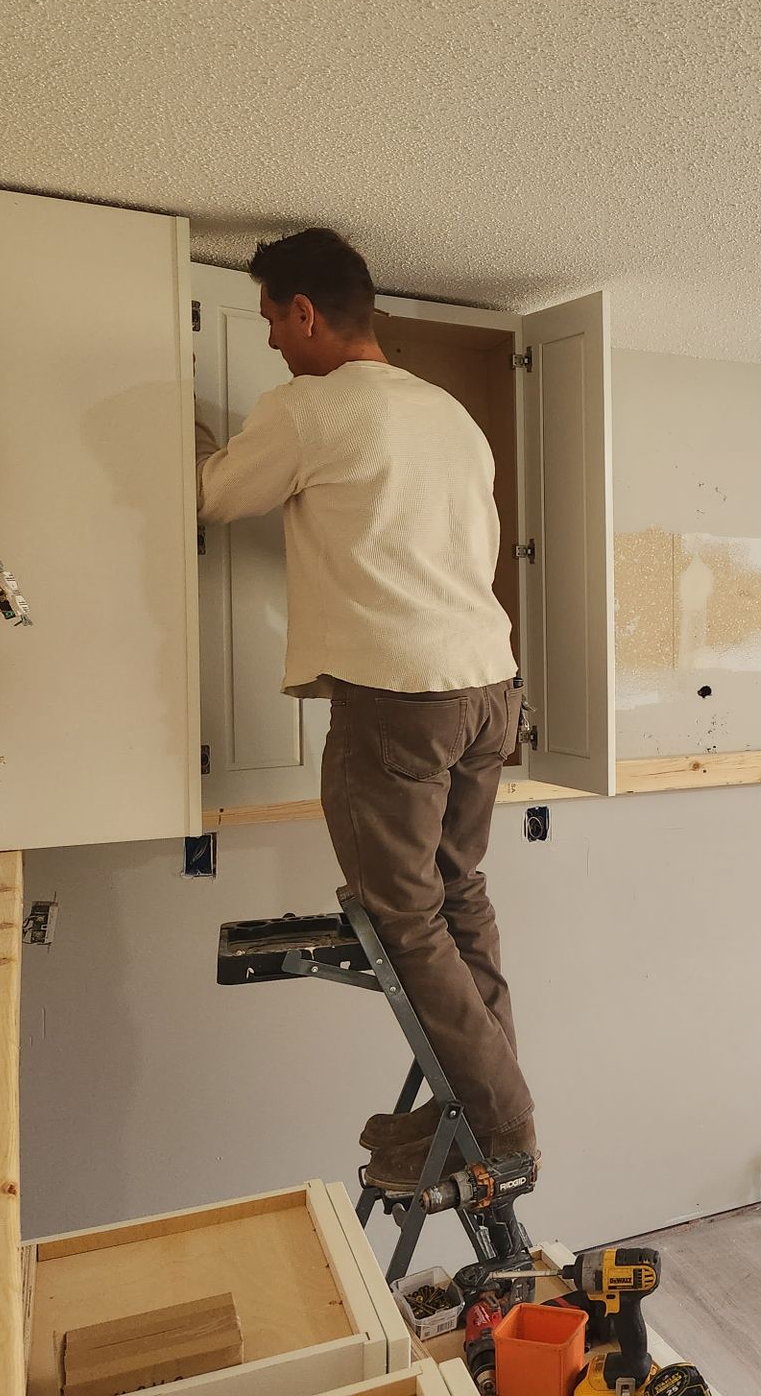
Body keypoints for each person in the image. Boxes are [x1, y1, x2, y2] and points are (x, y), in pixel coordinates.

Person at [193, 227, 535, 1192]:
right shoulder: (449, 414)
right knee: (457, 897)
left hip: (400, 702)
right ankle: (478, 1110)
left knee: (403, 919)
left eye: (268, 318)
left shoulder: (311, 409)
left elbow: (215, 495)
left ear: (305, 312)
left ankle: (502, 1126)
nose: (267, 341)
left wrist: (189, 441)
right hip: (486, 686)